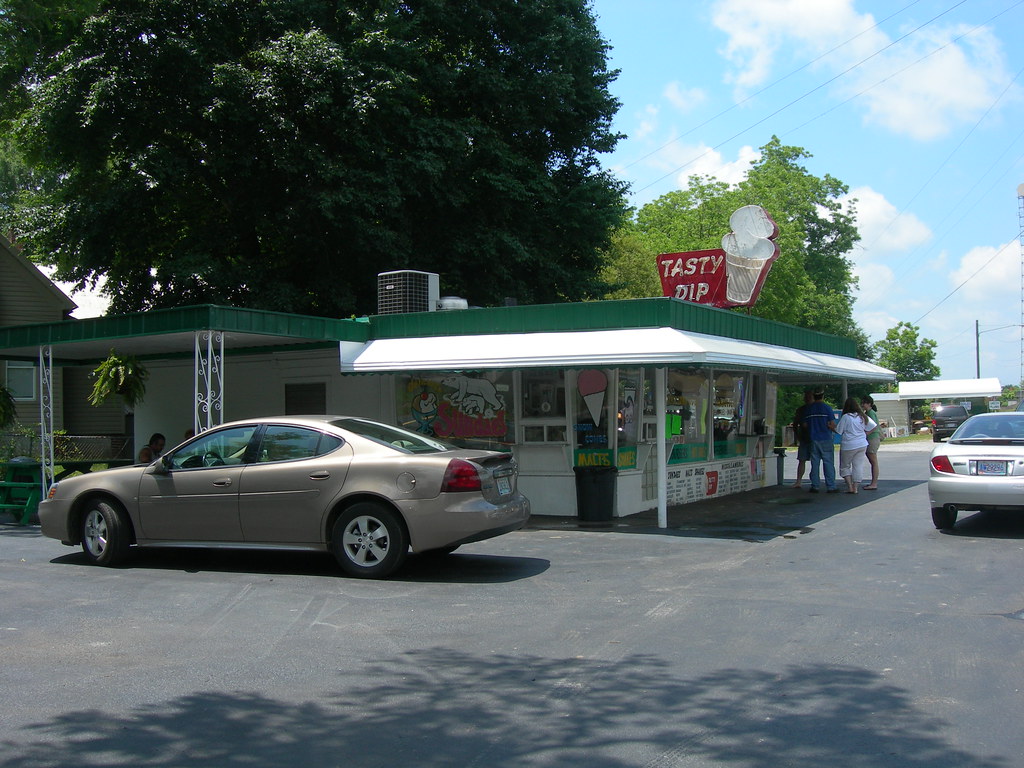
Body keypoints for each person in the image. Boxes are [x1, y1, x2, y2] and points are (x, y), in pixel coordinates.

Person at [834, 398, 876, 494]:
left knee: (845, 466)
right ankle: (855, 487)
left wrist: (831, 427)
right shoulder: (862, 416)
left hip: (849, 445)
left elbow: (838, 431)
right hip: (862, 444)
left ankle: (849, 486)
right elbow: (874, 425)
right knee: (858, 466)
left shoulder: (846, 417)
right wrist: (865, 434)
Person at [803, 389, 838, 493]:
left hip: (813, 438)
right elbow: (832, 424)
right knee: (828, 463)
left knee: (815, 463)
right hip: (826, 438)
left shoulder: (809, 409)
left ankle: (815, 485)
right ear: (823, 396)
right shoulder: (827, 408)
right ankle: (831, 486)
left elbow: (804, 425)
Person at [790, 390, 813, 488]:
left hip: (810, 438)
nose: (807, 398)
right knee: (802, 460)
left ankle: (812, 481)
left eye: (809, 396)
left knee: (810, 460)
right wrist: (797, 436)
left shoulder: (805, 409)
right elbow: (795, 424)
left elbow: (796, 424)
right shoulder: (801, 409)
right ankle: (799, 481)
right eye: (806, 396)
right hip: (805, 438)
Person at [860, 395, 881, 489]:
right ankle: (873, 482)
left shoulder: (870, 413)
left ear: (869, 404)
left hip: (872, 438)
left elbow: (874, 426)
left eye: (864, 403)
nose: (862, 405)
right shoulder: (868, 413)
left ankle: (874, 483)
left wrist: (866, 433)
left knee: (873, 461)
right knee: (872, 461)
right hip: (872, 438)